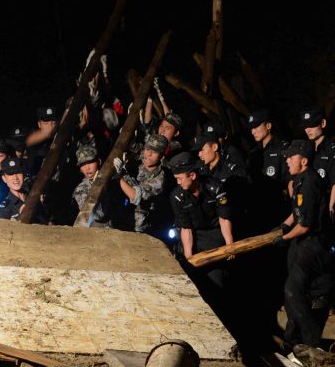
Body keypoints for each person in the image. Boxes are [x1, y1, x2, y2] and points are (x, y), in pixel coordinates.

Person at [274, 139, 332, 348]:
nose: (287, 160)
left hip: (313, 243)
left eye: (292, 157)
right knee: (292, 295)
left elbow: (306, 225)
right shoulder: (299, 180)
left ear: (304, 160)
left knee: (293, 290)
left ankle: (311, 342)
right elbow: (296, 215)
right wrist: (281, 227)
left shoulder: (309, 183)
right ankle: (292, 341)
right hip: (301, 242)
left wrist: (285, 237)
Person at [169, 151, 235, 288]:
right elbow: (185, 228)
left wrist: (230, 245)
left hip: (214, 234)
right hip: (193, 234)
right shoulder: (177, 196)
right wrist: (189, 258)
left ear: (192, 175)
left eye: (180, 178)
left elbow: (224, 218)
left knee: (215, 279)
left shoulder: (215, 188)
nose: (178, 182)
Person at [116, 134, 171, 238]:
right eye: (147, 149)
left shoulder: (159, 179)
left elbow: (135, 196)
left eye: (154, 152)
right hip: (122, 219)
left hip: (140, 229)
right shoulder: (139, 162)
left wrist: (119, 177)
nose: (148, 154)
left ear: (162, 156)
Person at [246, 109, 289, 231]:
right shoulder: (254, 153)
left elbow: (290, 181)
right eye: (251, 128)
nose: (253, 131)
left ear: (268, 125)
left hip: (278, 209)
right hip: (258, 210)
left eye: (256, 127)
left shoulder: (283, 148)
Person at [72, 144, 112, 228]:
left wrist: (118, 177)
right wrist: (97, 186)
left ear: (99, 161)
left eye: (90, 162)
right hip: (100, 233)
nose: (87, 168)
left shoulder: (112, 177)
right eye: (83, 165)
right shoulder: (81, 190)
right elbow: (99, 216)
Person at [0, 157, 46, 223]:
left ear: (23, 175)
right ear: (4, 178)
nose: (15, 177)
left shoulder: (34, 196)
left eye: (18, 172)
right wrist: (20, 218)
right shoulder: (4, 210)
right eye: (11, 174)